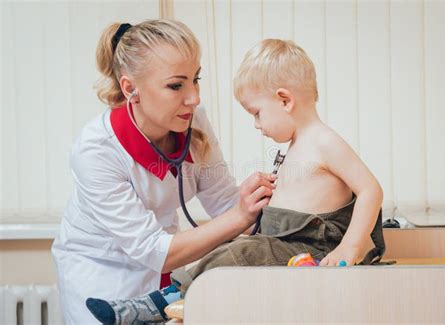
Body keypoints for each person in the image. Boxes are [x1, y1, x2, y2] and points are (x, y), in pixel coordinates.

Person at [86, 38, 387, 324]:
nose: (257, 125)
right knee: (230, 250)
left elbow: (370, 189)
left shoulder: (324, 141)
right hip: (288, 243)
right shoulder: (297, 146)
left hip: (315, 249)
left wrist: (350, 248)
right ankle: (168, 296)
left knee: (238, 253)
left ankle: (160, 303)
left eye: (257, 113)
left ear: (284, 100)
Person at [51, 20, 277, 324]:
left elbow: (225, 202)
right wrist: (240, 215)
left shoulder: (193, 121)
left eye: (195, 79)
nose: (194, 97)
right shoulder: (96, 151)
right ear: (131, 88)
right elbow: (157, 249)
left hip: (163, 270)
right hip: (102, 276)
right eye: (176, 85)